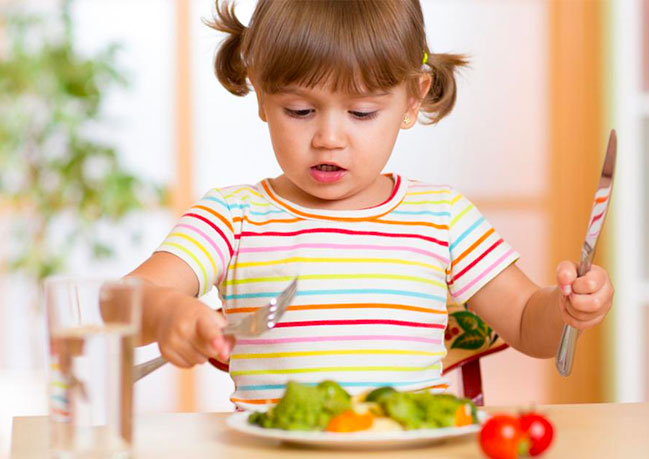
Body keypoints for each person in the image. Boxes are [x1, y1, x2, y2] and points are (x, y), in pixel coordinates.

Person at [126, 0, 614, 410]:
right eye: (299, 110)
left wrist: (566, 307)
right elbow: (117, 302)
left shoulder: (441, 217)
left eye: (361, 112)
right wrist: (167, 310)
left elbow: (530, 325)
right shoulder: (233, 217)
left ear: (412, 100)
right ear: (259, 91)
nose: (329, 138)